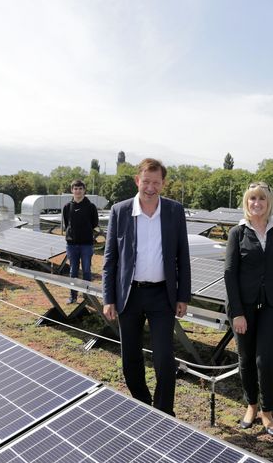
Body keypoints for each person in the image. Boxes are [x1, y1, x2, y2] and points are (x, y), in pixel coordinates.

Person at [102, 158, 190, 416]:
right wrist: (108, 298)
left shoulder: (174, 211)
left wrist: (183, 295)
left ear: (163, 183)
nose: (151, 187)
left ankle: (164, 412)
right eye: (146, 181)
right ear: (137, 180)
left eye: (157, 182)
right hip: (129, 296)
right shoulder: (120, 211)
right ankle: (142, 404)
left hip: (162, 295)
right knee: (130, 358)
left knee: (164, 358)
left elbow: (182, 257)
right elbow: (110, 260)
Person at [224, 182, 273, 436]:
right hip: (244, 307)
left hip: (272, 307)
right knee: (246, 359)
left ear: (268, 203)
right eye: (252, 199)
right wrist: (237, 313)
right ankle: (251, 405)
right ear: (247, 202)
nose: (256, 203)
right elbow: (230, 274)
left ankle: (268, 411)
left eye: (261, 199)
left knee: (266, 360)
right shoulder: (237, 233)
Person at [62, 179, 99, 303]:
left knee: (87, 270)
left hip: (86, 244)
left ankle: (87, 296)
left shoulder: (91, 207)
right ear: (72, 190)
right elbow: (67, 224)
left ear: (84, 190)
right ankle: (73, 297)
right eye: (75, 189)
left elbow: (94, 224)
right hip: (71, 245)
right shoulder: (67, 207)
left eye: (80, 188)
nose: (78, 191)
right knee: (73, 271)